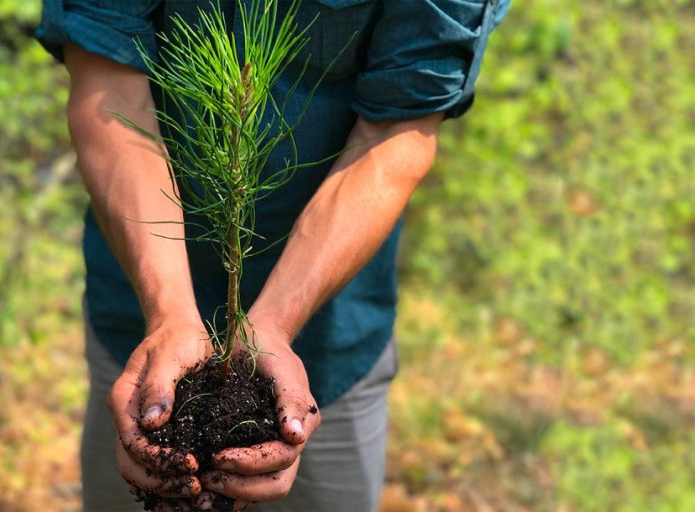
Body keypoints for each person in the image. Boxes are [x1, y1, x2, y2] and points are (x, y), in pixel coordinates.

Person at [36, 1, 508, 510]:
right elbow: (110, 91)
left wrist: (276, 324)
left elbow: (398, 130)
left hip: (327, 338)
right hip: (139, 313)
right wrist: (168, 314)